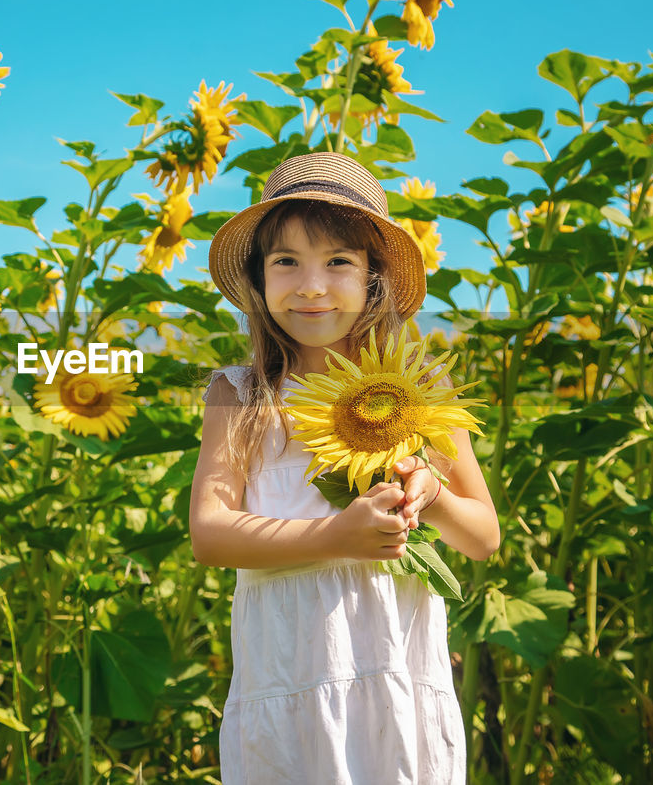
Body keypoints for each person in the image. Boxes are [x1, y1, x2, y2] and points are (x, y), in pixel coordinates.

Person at [189, 151, 500, 784]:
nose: (311, 285)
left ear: (373, 278)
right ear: (258, 278)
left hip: (394, 678)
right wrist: (335, 536)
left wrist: (432, 495)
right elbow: (209, 531)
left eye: (338, 262)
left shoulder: (419, 389)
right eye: (286, 262)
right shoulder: (242, 395)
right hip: (289, 679)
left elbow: (483, 536)